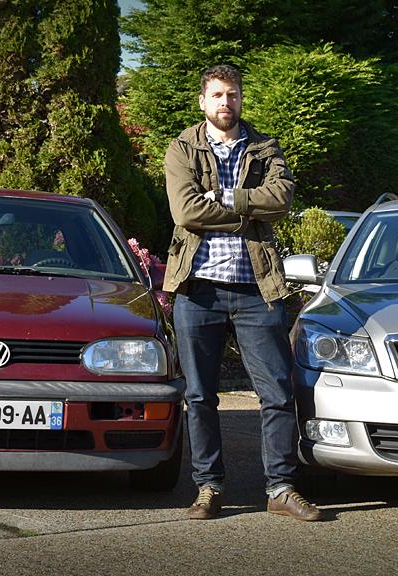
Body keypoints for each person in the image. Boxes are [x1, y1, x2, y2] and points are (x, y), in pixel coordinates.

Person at [162, 64, 321, 522]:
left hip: (257, 288)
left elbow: (283, 200)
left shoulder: (265, 146)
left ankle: (281, 488)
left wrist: (227, 199)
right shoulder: (182, 148)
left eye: (231, 95)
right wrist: (248, 208)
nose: (224, 103)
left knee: (276, 392)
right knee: (199, 395)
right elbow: (186, 211)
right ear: (202, 101)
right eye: (216, 95)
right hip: (199, 289)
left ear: (240, 99)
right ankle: (208, 487)